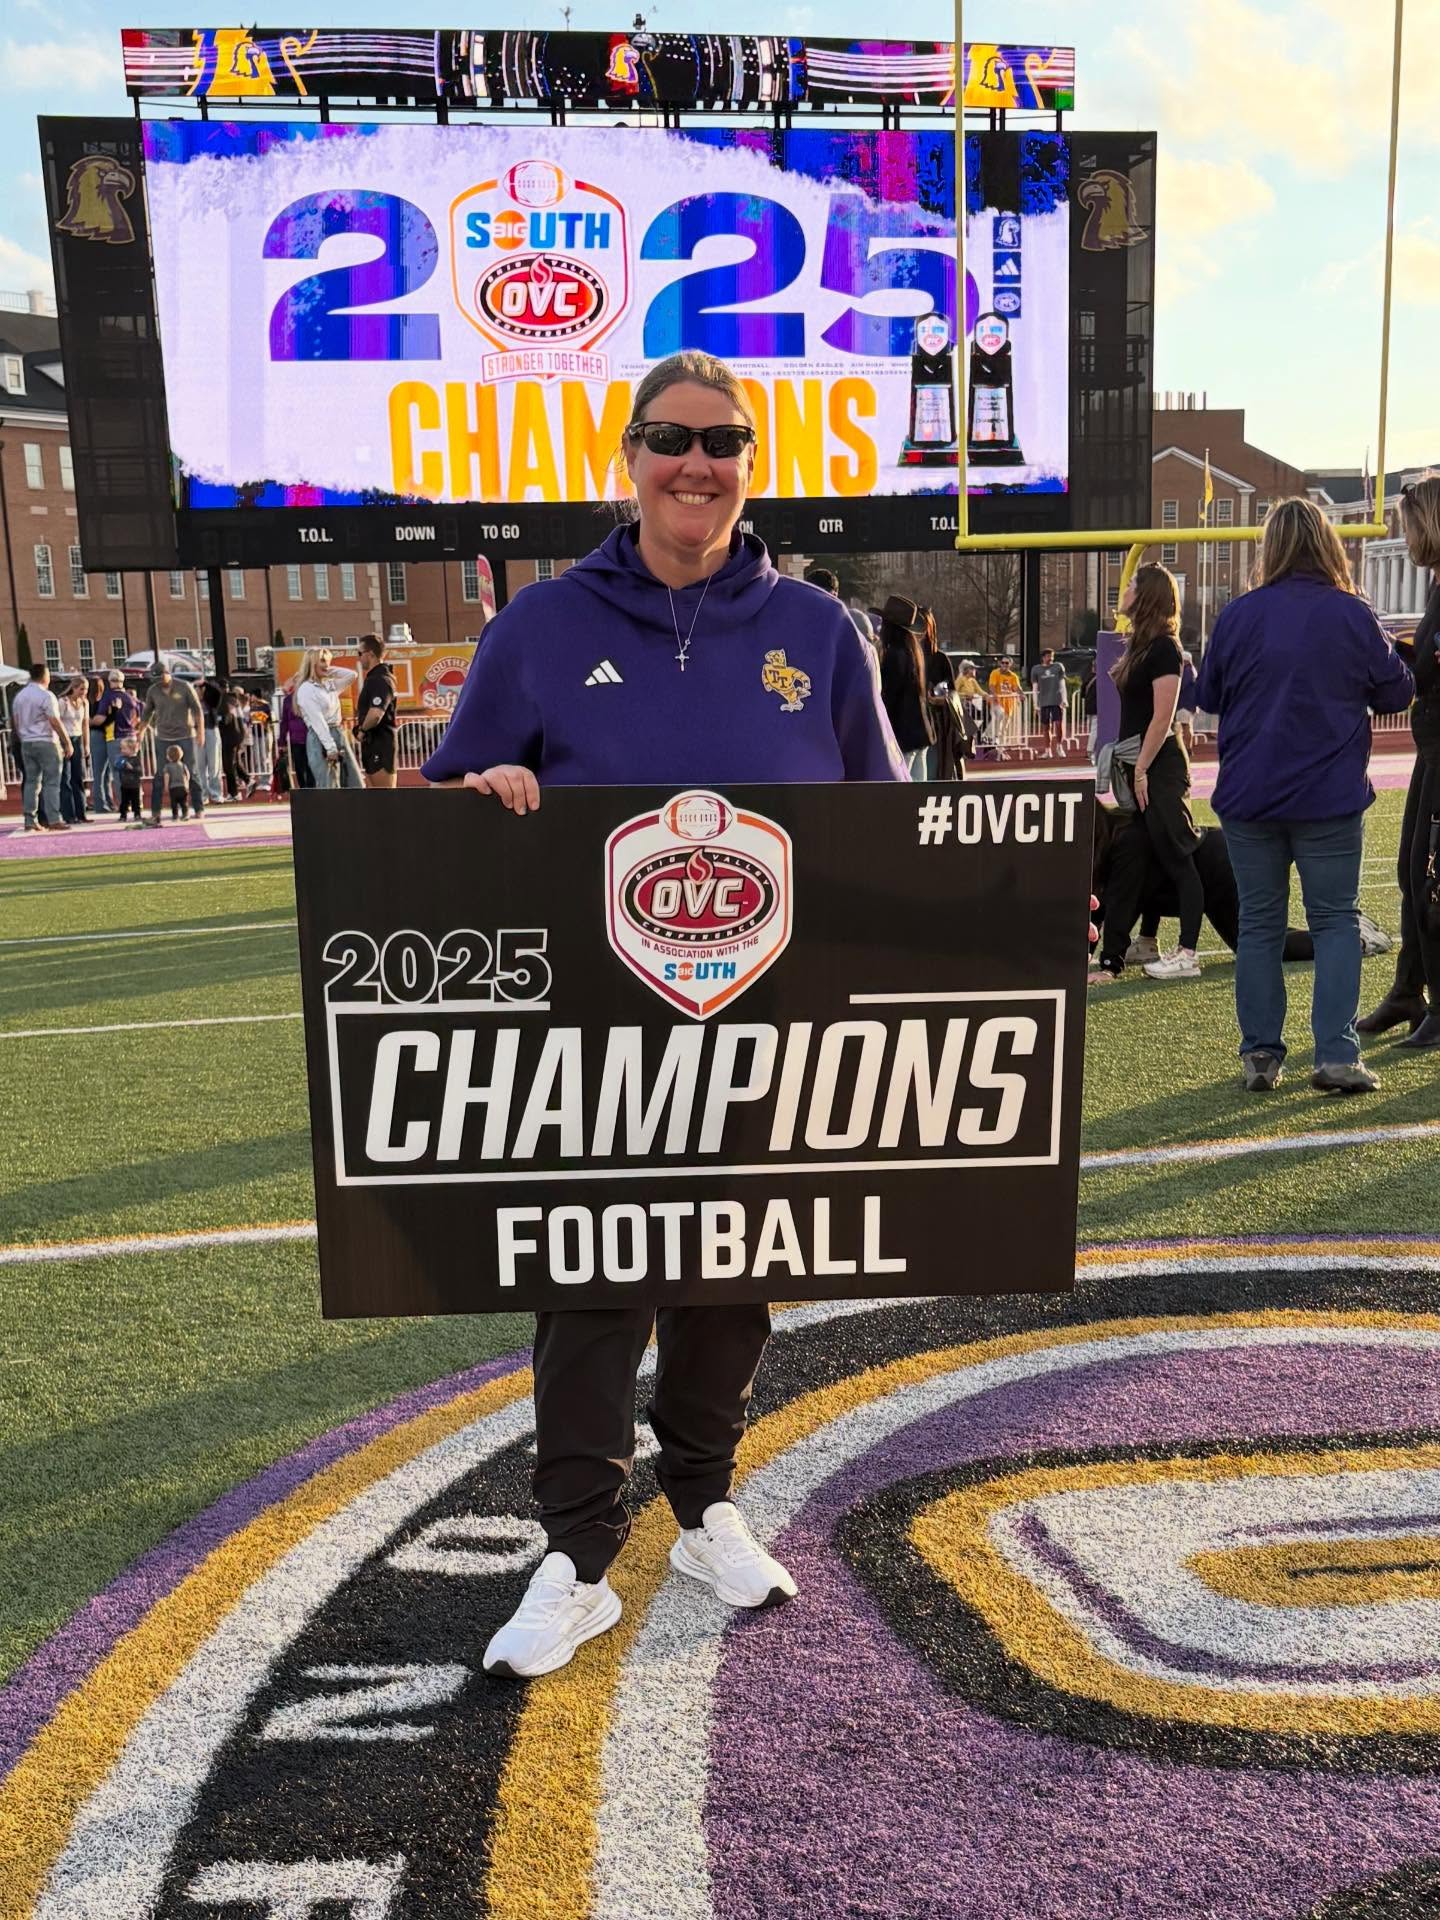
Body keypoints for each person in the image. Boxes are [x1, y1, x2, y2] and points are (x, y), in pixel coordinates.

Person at [422, 347, 904, 1680]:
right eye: (673, 438)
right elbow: (442, 816)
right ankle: (577, 1556)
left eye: (726, 440)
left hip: (763, 1026)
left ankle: (703, 1507)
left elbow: (886, 827)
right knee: (593, 1283)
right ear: (627, 456)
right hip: (595, 1035)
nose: (699, 463)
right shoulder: (542, 627)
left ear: (753, 460)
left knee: (734, 1278)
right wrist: (490, 797)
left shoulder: (819, 633)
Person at [1196, 495, 1413, 1094]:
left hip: (1250, 795)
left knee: (1260, 927)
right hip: (1328, 795)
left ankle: (1261, 1056)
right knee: (1334, 923)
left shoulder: (1239, 615)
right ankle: (1336, 1054)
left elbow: (1209, 696)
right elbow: (1396, 694)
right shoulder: (1352, 613)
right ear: (1327, 545)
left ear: (1270, 548)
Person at [1092, 802, 1391, 977]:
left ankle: (1353, 938)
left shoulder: (1124, 842)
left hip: (1218, 868)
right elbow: (1107, 902)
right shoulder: (1117, 834)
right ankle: (1348, 931)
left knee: (1259, 946)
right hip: (1217, 859)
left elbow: (1121, 901)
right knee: (1262, 939)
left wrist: (1109, 964)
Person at [1360, 476, 1440, 1051]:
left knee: (1429, 877)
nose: (1403, 536)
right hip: (1431, 748)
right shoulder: (1438, 585)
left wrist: (1395, 652)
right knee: (1412, 875)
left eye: (1408, 524)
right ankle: (1411, 988)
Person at [1107, 564, 1205, 982]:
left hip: (1159, 763)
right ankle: (1145, 940)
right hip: (1141, 761)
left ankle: (1188, 952)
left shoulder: (1165, 647)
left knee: (1178, 854)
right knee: (1148, 850)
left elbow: (1162, 717)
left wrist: (1143, 769)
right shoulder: (1141, 645)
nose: (1123, 589)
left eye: (1131, 585)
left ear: (1145, 595)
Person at [140, 662, 205, 827]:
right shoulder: (153, 690)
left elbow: (197, 710)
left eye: (161, 676)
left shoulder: (184, 687)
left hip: (185, 735)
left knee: (191, 771)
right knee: (160, 774)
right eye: (155, 678)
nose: (159, 681)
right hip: (163, 736)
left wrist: (200, 732)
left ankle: (198, 808)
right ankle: (156, 813)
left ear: (167, 673)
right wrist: (140, 733)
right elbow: (147, 713)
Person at [877, 594, 936, 778]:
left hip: (903, 732)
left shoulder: (894, 655)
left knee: (903, 784)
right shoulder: (913, 652)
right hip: (920, 729)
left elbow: (890, 697)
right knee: (919, 785)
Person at [12, 662, 71, 834]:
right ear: (45, 676)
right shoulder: (46, 695)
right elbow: (54, 720)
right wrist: (66, 741)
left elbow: (16, 722)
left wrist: (24, 737)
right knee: (52, 781)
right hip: (45, 740)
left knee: (31, 781)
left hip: (27, 741)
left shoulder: (19, 696)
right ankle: (54, 819)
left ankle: (30, 820)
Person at [294, 648, 362, 788]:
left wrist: (328, 670)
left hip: (337, 732)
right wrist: (330, 748)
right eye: (323, 661)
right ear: (312, 663)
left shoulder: (329, 685)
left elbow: (352, 675)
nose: (327, 664)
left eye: (328, 661)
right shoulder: (306, 689)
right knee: (329, 784)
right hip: (320, 737)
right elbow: (317, 721)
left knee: (353, 782)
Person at [92, 671, 141, 814]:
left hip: (115, 737)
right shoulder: (131, 698)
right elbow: (139, 718)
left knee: (118, 773)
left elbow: (100, 719)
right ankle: (134, 802)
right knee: (131, 771)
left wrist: (88, 722)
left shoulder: (108, 697)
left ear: (110, 681)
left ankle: (123, 804)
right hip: (131, 736)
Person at [354, 634, 398, 789]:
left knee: (384, 798)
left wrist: (362, 730)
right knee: (375, 799)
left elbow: (375, 714)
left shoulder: (380, 679)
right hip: (373, 745)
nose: (359, 658)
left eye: (360, 653)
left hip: (381, 744)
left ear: (370, 653)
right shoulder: (374, 678)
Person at [57, 676, 89, 824]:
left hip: (78, 739)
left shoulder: (84, 703)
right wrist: (64, 742)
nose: (84, 692)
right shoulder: (63, 702)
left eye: (86, 689)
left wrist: (86, 744)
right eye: (81, 689)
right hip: (65, 740)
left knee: (79, 777)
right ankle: (69, 815)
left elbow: (85, 725)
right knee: (66, 778)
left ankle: (81, 813)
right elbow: (57, 722)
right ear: (74, 688)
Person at [1030, 647, 1068, 756]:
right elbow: (1035, 688)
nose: (1050, 658)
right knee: (1046, 727)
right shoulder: (1036, 669)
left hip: (1056, 701)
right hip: (1044, 702)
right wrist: (1035, 704)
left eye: (1052, 656)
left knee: (1059, 724)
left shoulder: (1058, 667)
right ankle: (1047, 750)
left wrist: (1064, 699)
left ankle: (1059, 747)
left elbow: (1062, 684)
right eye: (1048, 656)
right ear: (1043, 657)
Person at [85, 674, 112, 815]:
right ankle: (101, 803)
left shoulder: (89, 702)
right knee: (102, 772)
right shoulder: (101, 702)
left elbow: (90, 720)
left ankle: (105, 801)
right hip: (102, 734)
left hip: (97, 734)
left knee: (102, 772)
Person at [987, 657, 1023, 754]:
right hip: (997, 704)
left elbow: (1016, 687)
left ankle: (1000, 747)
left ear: (1010, 664)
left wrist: (1021, 694)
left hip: (1009, 705)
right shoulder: (995, 673)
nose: (1004, 665)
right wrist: (994, 695)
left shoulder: (1013, 676)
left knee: (1004, 728)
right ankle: (991, 740)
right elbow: (992, 685)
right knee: (997, 722)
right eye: (1002, 663)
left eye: (1006, 663)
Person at [200, 676, 227, 803]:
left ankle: (216, 794)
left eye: (200, 689)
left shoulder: (211, 701)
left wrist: (205, 683)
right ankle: (202, 795)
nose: (197, 692)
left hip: (211, 730)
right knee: (199, 766)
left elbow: (218, 692)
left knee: (214, 764)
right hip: (196, 733)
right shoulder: (189, 701)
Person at [114, 734, 145, 824]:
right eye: (121, 748)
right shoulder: (122, 759)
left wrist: (132, 768)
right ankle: (123, 815)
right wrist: (119, 765)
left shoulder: (136, 760)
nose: (122, 750)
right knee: (124, 802)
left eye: (124, 748)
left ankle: (137, 814)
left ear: (132, 749)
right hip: (125, 784)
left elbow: (140, 772)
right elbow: (117, 767)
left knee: (136, 801)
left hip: (134, 785)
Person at [1175, 648, 1199, 754]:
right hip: (1190, 704)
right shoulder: (1193, 670)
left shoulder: (1186, 671)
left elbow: (1181, 686)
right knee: (1188, 726)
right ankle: (1188, 748)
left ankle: (1187, 749)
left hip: (1184, 704)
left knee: (1185, 726)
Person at [162, 743, 191, 821]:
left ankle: (175, 816)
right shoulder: (183, 765)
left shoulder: (167, 766)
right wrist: (187, 784)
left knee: (174, 803)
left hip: (173, 787)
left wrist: (166, 786)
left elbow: (167, 776)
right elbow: (187, 775)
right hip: (183, 787)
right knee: (184, 802)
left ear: (168, 756)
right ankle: (185, 814)